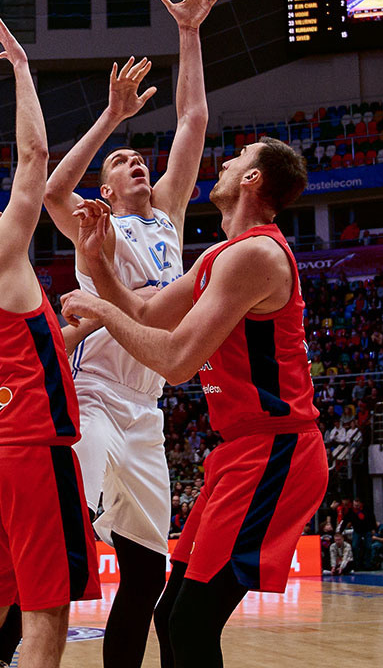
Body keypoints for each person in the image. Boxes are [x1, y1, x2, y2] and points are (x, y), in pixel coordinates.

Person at [63, 137, 329, 668]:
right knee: (170, 616)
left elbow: (176, 359)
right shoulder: (216, 255)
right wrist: (98, 265)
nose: (226, 163)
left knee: (190, 621)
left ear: (251, 181)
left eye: (238, 160)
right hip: (238, 452)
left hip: (276, 450)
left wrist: (98, 309)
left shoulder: (257, 253)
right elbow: (147, 310)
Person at [44, 0, 222, 668]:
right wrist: (111, 120)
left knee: (148, 573)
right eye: (122, 163)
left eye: (136, 158)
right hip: (93, 400)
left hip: (147, 413)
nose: (135, 164)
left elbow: (194, 121)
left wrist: (188, 33)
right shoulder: (99, 227)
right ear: (108, 189)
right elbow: (56, 188)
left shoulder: (170, 220)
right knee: (65, 539)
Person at [0, 16, 100, 668]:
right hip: (33, 454)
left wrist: (83, 328)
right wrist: (22, 68)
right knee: (45, 623)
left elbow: (24, 355)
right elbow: (33, 159)